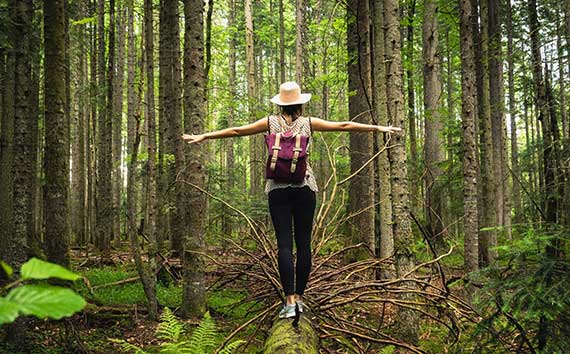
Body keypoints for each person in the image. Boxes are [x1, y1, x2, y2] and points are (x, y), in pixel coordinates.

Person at [182, 81, 401, 319]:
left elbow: (236, 131)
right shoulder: (308, 123)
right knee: (304, 244)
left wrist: (204, 136)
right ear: (300, 103)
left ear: (280, 103)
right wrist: (379, 128)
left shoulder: (269, 122)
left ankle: (288, 302)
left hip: (277, 189)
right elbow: (344, 125)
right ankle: (300, 299)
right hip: (305, 187)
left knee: (284, 245)